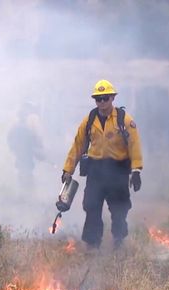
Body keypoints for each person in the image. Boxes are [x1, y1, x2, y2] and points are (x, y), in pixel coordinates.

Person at [61, 80, 143, 250]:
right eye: (98, 99)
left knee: (119, 209)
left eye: (105, 98)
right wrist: (68, 170)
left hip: (118, 171)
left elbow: (134, 145)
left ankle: (119, 242)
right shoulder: (89, 121)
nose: (102, 102)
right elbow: (78, 146)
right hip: (95, 171)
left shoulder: (124, 120)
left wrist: (136, 170)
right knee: (91, 207)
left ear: (113, 98)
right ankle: (92, 245)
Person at [8, 101, 45, 189]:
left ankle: (24, 190)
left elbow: (9, 139)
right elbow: (35, 140)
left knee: (22, 171)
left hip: (22, 154)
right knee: (26, 172)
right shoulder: (26, 129)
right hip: (26, 154)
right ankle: (27, 191)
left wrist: (13, 148)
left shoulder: (16, 127)